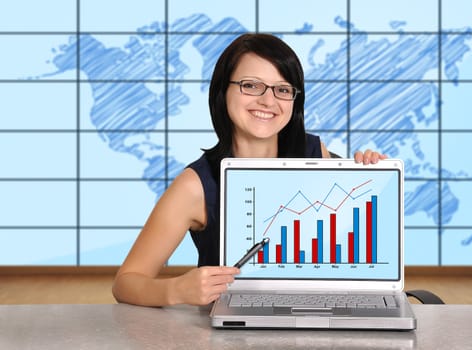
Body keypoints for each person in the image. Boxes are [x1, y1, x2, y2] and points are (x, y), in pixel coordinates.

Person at [112, 33, 387, 307]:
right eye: (251, 85)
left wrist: (370, 173)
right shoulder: (196, 185)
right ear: (223, 90)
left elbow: (351, 242)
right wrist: (176, 290)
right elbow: (126, 282)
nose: (268, 101)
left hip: (315, 322)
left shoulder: (317, 155)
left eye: (282, 89)